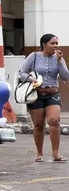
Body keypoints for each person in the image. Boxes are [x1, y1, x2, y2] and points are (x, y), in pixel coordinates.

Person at [19, 33, 69, 163]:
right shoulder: (33, 56)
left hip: (52, 93)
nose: (55, 46)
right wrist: (32, 79)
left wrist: (59, 62)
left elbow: (65, 76)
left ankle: (56, 153)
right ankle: (39, 153)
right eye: (52, 43)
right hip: (36, 95)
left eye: (57, 43)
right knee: (38, 125)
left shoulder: (59, 58)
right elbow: (22, 73)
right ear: (44, 44)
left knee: (54, 121)